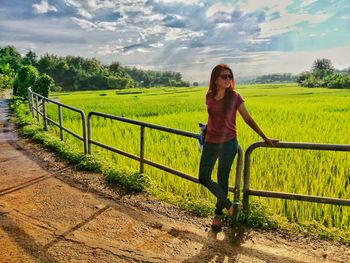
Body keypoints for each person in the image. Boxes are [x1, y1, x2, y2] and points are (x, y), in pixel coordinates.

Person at [198, 64, 278, 230]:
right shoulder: (210, 96)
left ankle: (218, 216)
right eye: (224, 76)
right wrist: (205, 130)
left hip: (228, 143)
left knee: (222, 179)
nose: (228, 79)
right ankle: (230, 206)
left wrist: (265, 138)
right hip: (211, 143)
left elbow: (248, 119)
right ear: (215, 79)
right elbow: (213, 118)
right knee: (203, 177)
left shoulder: (235, 97)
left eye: (230, 76)